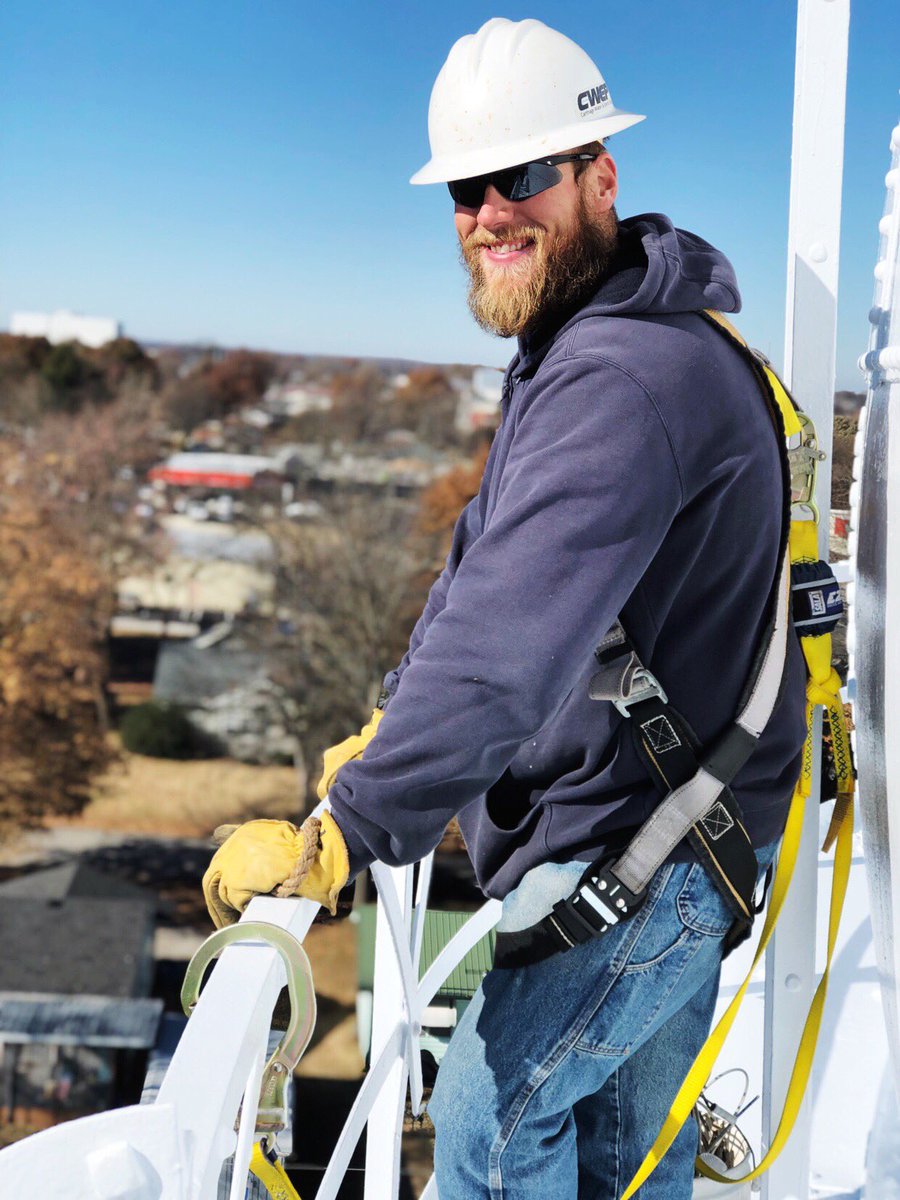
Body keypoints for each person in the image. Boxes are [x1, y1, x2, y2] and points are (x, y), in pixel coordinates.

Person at [203, 18, 807, 1198]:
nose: (489, 213)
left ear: (599, 179)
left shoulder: (623, 377)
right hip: (685, 823)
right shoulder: (591, 344)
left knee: (492, 1117)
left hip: (654, 845)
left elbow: (500, 655)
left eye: (522, 175)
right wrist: (389, 731)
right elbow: (480, 573)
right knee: (625, 1159)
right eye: (466, 189)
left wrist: (345, 831)